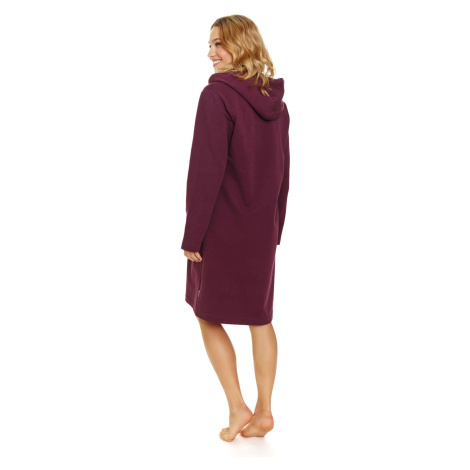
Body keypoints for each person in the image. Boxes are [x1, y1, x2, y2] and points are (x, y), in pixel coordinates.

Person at [181, 15, 290, 442]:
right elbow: (283, 173)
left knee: (206, 313)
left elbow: (204, 171)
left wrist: (193, 235)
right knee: (260, 319)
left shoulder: (216, 96)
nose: (210, 52)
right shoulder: (276, 103)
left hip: (222, 228)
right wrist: (275, 228)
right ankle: (264, 412)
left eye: (219, 44)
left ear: (242, 45)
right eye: (210, 44)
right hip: (261, 229)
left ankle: (237, 406)